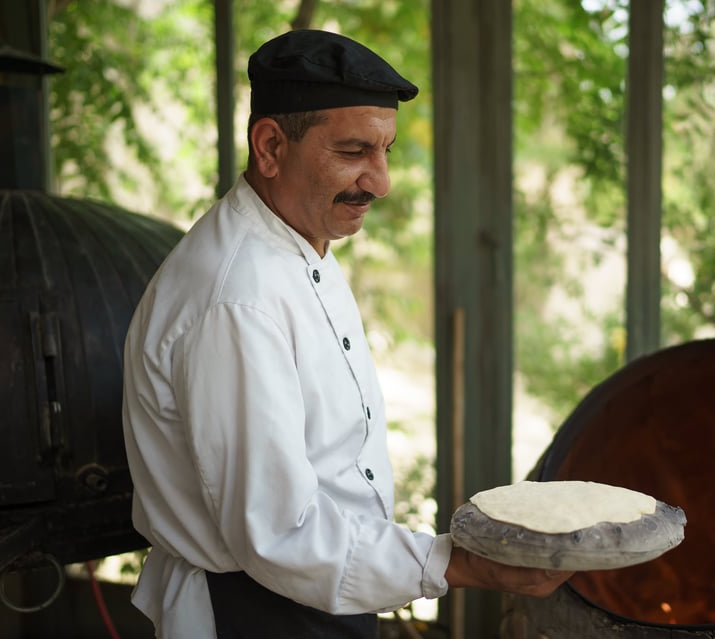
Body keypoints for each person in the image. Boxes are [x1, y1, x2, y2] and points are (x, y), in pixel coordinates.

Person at [121, 29, 572, 638]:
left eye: (384, 150)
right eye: (354, 151)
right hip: (254, 613)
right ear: (271, 145)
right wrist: (461, 564)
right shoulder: (236, 300)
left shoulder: (300, 242)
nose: (380, 181)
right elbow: (279, 533)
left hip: (319, 594)